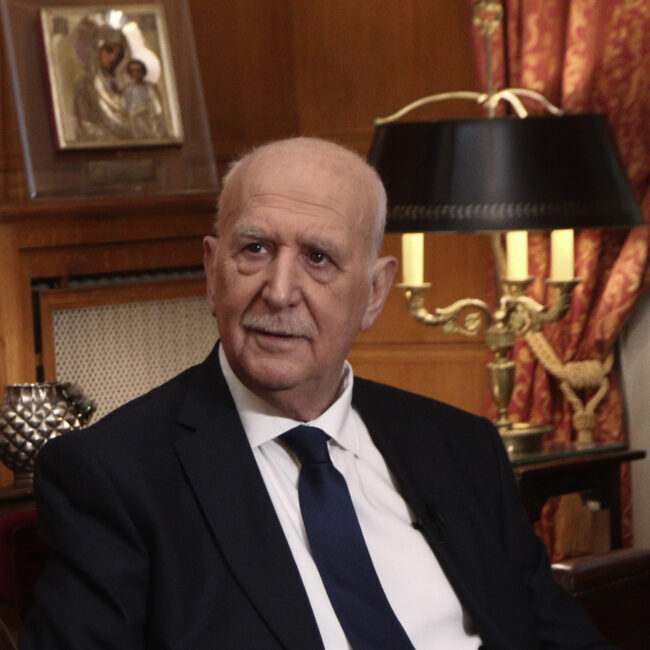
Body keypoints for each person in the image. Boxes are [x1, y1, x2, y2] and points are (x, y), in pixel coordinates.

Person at [20, 138, 614, 649]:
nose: (280, 291)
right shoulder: (114, 476)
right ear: (212, 271)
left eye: (319, 258)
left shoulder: (460, 447)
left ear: (375, 293)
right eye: (255, 249)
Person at [124, 59, 167, 139]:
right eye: (133, 71)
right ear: (130, 73)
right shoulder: (128, 90)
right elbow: (127, 108)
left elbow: (157, 106)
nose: (136, 73)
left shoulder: (151, 87)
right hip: (136, 122)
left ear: (143, 72)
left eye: (139, 70)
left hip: (151, 119)